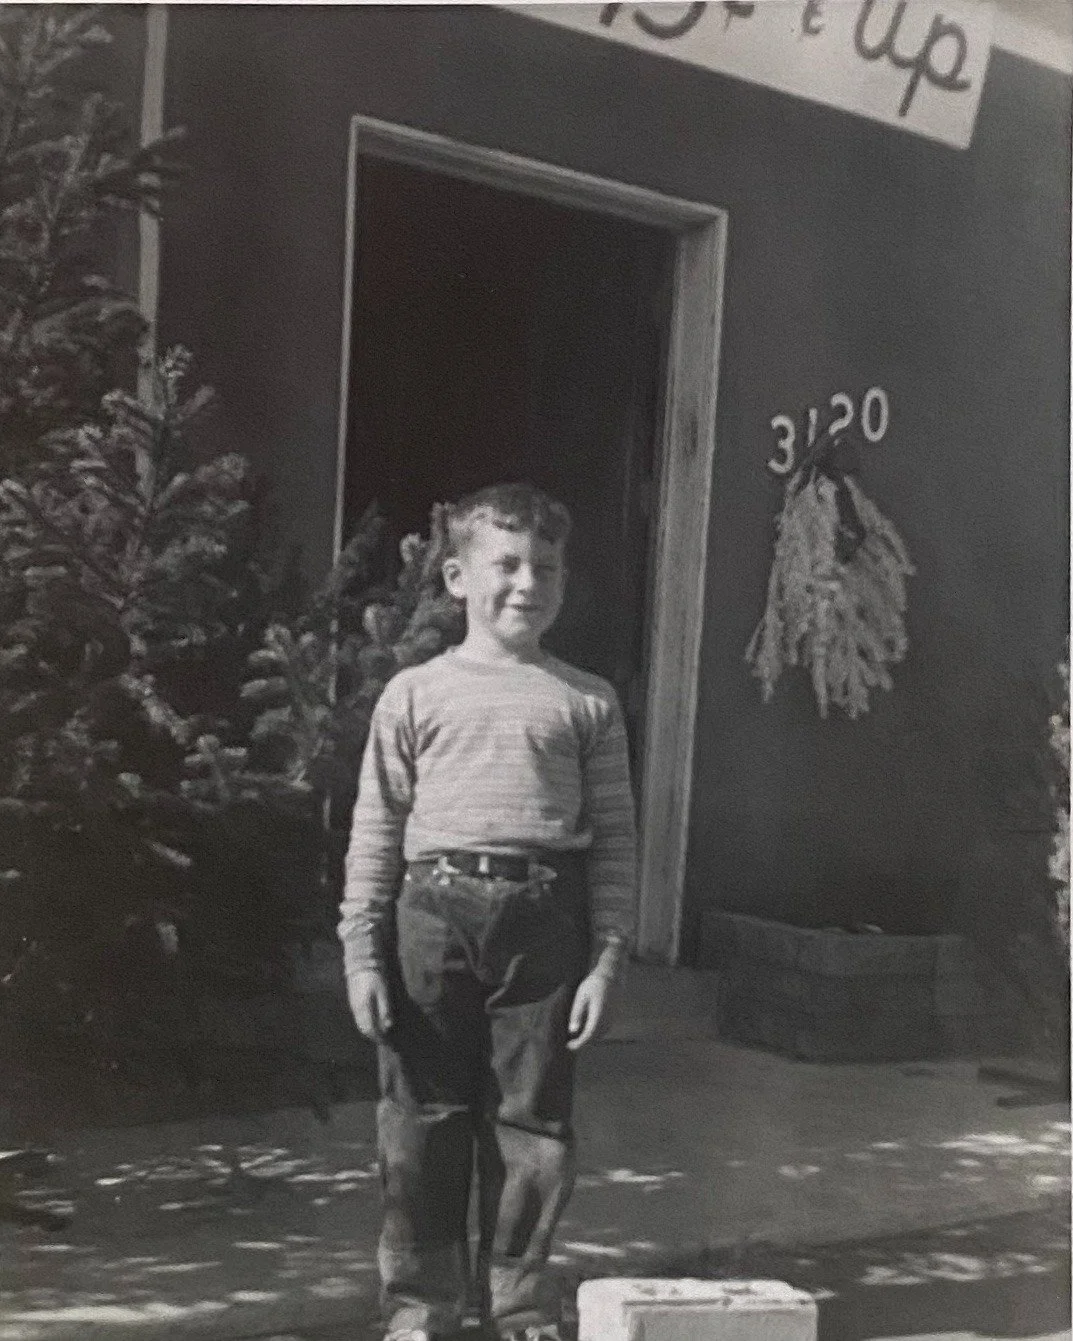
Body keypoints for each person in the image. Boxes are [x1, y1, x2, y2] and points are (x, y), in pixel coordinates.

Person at [339, 481, 637, 1341]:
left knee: (531, 1121)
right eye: (504, 563)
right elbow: (376, 827)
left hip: (545, 921)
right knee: (421, 1119)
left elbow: (614, 838)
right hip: (429, 920)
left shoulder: (585, 700)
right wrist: (362, 950)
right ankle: (419, 1305)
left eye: (545, 566)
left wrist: (608, 958)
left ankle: (516, 1301)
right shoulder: (414, 693)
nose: (526, 582)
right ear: (457, 576)